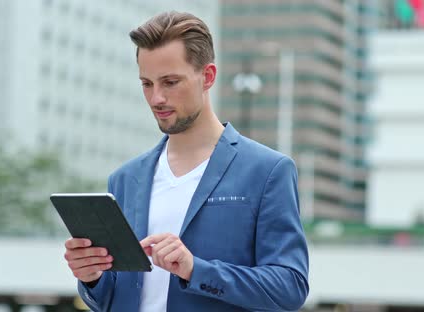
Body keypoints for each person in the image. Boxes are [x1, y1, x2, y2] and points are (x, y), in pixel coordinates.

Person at [63, 11, 309, 312]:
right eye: (146, 83)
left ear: (207, 77)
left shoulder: (267, 171)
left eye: (170, 82)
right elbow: (113, 297)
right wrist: (92, 277)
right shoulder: (125, 178)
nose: (156, 98)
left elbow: (290, 287)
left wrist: (196, 269)